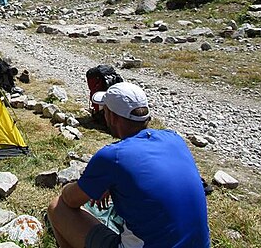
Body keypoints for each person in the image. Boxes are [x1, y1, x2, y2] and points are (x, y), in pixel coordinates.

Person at [47, 82, 210, 248]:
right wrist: (111, 184)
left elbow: (70, 200)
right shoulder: (174, 139)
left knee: (57, 207)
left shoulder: (113, 156)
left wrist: (81, 187)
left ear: (112, 117)